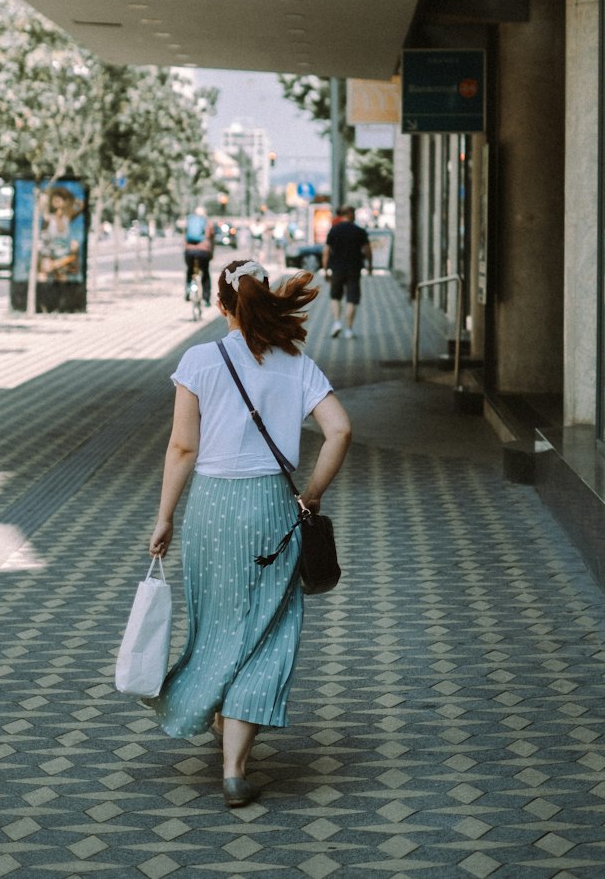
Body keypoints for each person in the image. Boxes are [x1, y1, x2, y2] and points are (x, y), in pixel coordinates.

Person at [147, 258, 352, 808]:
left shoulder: (199, 360)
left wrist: (165, 515)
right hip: (271, 508)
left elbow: (182, 448)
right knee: (267, 626)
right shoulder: (295, 361)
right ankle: (235, 768)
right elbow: (340, 430)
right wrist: (311, 495)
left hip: (212, 507)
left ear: (221, 304)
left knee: (218, 623)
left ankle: (206, 705)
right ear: (264, 299)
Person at [322, 204, 373, 340]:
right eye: (354, 212)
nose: (355, 215)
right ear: (350, 214)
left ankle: (337, 322)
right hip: (354, 269)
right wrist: (370, 265)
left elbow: (326, 252)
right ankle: (349, 330)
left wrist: (326, 269)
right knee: (352, 298)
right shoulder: (359, 231)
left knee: (335, 296)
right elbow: (367, 250)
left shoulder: (334, 230)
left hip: (337, 268)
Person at [183, 205, 216, 306]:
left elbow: (184, 237)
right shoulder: (208, 223)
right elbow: (212, 239)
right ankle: (206, 299)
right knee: (205, 273)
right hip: (203, 252)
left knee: (190, 269)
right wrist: (211, 253)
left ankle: (188, 289)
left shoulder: (189, 221)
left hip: (189, 251)